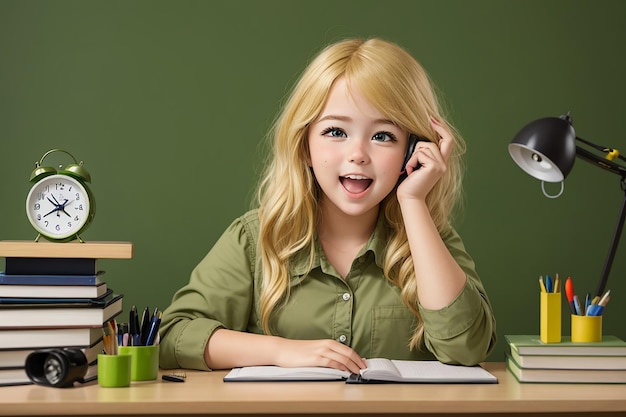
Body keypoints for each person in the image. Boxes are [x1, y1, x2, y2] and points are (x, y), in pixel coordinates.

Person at [159, 37, 496, 374]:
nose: (358, 154)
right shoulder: (254, 239)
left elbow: (467, 348)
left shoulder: (429, 239)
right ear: (304, 145)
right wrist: (280, 351)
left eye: (383, 136)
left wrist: (412, 200)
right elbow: (174, 336)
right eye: (336, 131)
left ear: (413, 151)